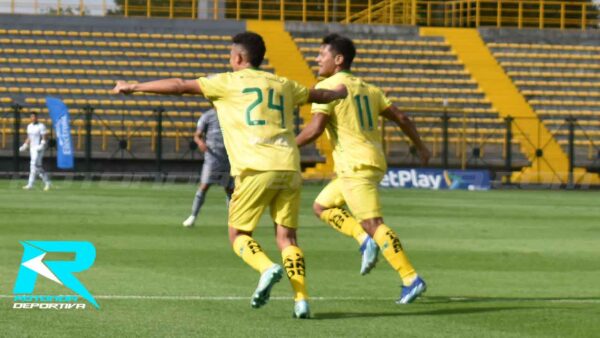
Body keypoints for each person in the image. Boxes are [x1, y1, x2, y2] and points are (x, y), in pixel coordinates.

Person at [112, 31, 347, 318]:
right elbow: (318, 94)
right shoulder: (283, 83)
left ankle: (266, 267)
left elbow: (179, 85)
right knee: (287, 239)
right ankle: (302, 300)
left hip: (255, 168)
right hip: (289, 165)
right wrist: (337, 94)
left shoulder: (226, 82)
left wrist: (134, 86)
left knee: (238, 234)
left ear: (237, 57)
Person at [295, 34, 431, 304]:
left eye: (321, 54)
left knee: (373, 224)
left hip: (355, 165)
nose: (317, 59)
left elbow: (316, 128)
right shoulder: (369, 88)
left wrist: (287, 145)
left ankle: (410, 278)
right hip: (369, 162)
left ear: (338, 59)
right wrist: (422, 147)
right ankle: (363, 239)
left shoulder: (328, 87)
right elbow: (402, 117)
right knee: (322, 206)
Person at [182, 108, 234, 228]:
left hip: (227, 157)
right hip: (212, 157)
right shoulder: (207, 116)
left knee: (229, 189)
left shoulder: (230, 113)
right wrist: (200, 143)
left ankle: (232, 219)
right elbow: (197, 135)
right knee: (204, 186)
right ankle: (193, 216)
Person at [19, 112, 51, 191]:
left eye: (34, 117)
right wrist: (25, 145)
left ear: (37, 117)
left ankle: (33, 184)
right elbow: (29, 137)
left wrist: (42, 144)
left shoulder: (41, 126)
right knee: (36, 167)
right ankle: (46, 182)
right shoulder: (29, 126)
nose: (33, 118)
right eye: (32, 117)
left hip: (39, 148)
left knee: (34, 165)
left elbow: (44, 136)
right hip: (32, 148)